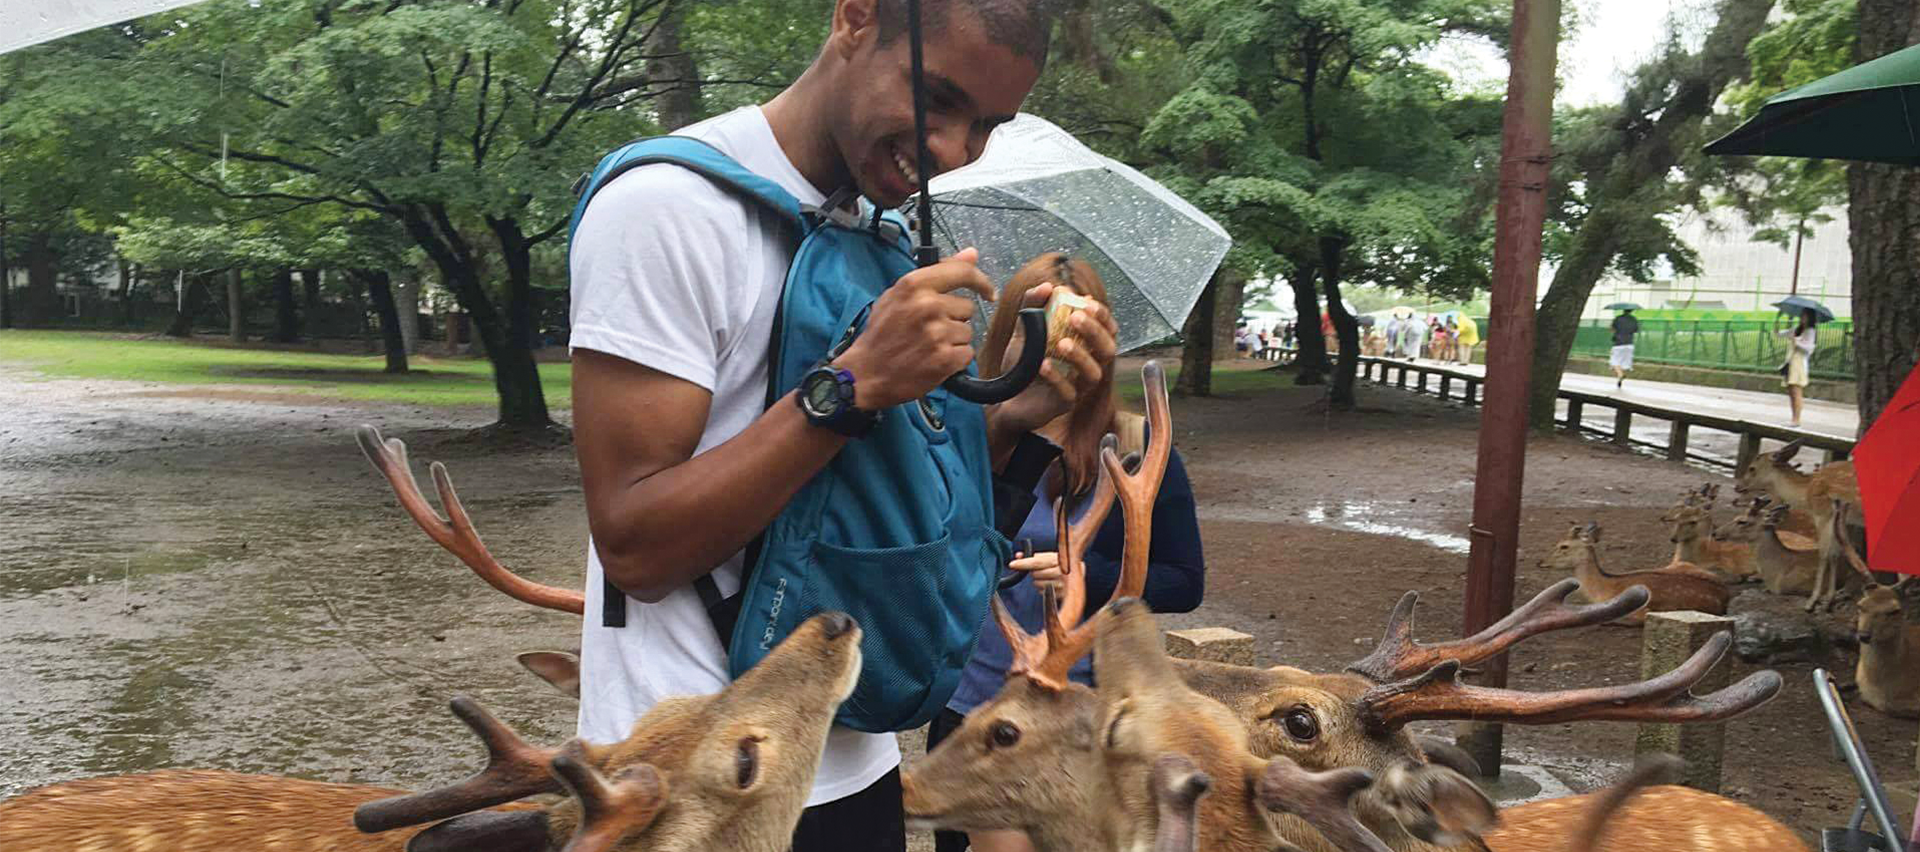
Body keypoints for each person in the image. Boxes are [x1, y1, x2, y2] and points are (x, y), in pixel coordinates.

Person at [565, 3, 1116, 851]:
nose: (953, 151)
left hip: (858, 757)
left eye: (988, 127)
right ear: (855, 17)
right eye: (939, 99)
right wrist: (852, 386)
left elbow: (907, 525)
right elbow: (636, 546)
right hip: (702, 780)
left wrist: (1013, 426)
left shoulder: (880, 234)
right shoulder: (667, 207)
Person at [926, 254, 1205, 852]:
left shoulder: (1135, 445)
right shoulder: (961, 435)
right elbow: (927, 562)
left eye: (1075, 331)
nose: (1057, 350)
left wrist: (1088, 574)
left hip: (1088, 716)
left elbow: (1186, 581)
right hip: (976, 707)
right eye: (1042, 326)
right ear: (1010, 331)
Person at [1778, 307, 1819, 427]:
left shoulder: (1810, 331)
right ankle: (1793, 418)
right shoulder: (1798, 329)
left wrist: (1796, 342)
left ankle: (1797, 419)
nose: (1802, 318)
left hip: (1799, 363)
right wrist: (1778, 320)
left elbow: (1809, 348)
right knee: (1791, 390)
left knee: (1796, 391)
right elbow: (1779, 334)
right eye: (1801, 315)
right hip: (1791, 361)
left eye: (1804, 316)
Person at [1610, 307, 1639, 389]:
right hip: (1630, 344)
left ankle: (1620, 374)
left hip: (1618, 344)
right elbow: (1635, 330)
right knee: (1625, 363)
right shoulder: (1634, 319)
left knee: (1614, 361)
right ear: (1631, 311)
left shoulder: (1618, 318)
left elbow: (1612, 328)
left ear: (1623, 310)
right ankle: (1620, 375)